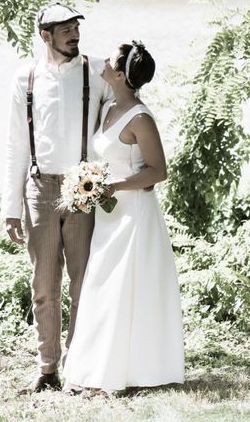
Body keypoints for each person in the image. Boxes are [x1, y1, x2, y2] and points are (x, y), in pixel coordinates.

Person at [62, 41, 185, 395]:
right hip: (108, 214)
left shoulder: (140, 118)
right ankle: (92, 370)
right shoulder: (110, 108)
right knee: (101, 286)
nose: (102, 60)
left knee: (124, 289)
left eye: (110, 60)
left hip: (134, 215)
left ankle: (121, 375)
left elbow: (158, 171)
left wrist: (115, 185)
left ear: (119, 74)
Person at [2, 2, 113, 394]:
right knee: (44, 285)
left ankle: (79, 369)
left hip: (84, 189)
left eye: (76, 27)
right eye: (64, 29)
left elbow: (123, 118)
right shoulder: (25, 78)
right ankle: (47, 369)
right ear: (45, 35)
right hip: (40, 189)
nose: (74, 33)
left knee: (84, 282)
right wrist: (10, 208)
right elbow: (16, 145)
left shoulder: (98, 71)